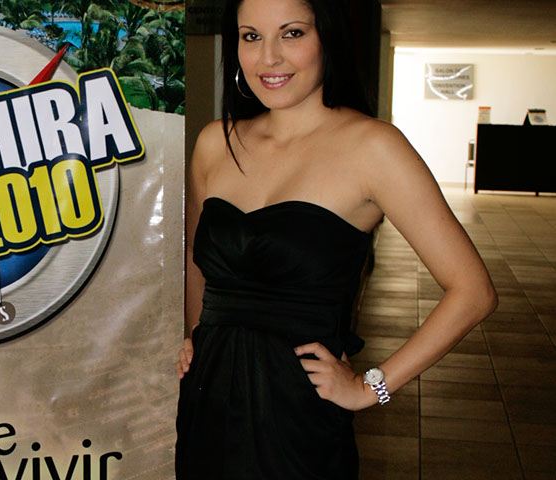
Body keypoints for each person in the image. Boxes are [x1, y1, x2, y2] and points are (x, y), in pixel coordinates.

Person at [174, 0, 498, 478]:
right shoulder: (214, 142)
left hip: (297, 419)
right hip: (208, 403)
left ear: (327, 37)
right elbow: (195, 259)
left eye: (292, 33)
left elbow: (473, 292)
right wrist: (195, 335)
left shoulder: (374, 148)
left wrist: (371, 387)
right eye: (251, 36)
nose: (269, 57)